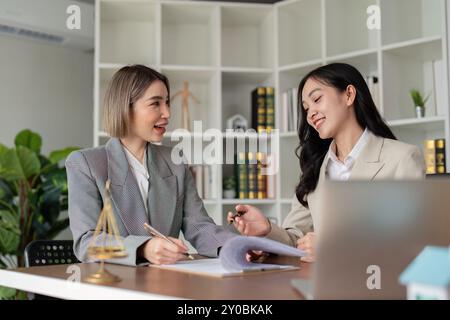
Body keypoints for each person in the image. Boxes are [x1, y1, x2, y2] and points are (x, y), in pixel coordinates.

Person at [228, 63, 426, 262]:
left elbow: (410, 243)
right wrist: (266, 231)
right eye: (306, 108)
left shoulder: (402, 159)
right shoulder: (316, 169)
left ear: (349, 94)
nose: (310, 113)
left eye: (316, 99)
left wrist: (332, 248)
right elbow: (298, 240)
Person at [66, 65, 235, 266]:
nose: (167, 113)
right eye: (155, 104)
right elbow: (87, 243)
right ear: (125, 108)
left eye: (167, 103)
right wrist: (143, 248)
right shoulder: (85, 164)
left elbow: (198, 226)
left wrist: (236, 246)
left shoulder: (175, 161)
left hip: (168, 283)